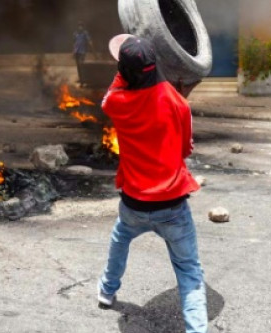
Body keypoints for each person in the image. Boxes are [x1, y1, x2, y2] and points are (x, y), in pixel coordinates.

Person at [98, 34, 207, 333]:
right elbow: (186, 149)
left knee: (120, 238)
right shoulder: (177, 103)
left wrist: (123, 70)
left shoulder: (117, 102)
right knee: (189, 271)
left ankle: (107, 291)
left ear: (124, 71)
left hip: (133, 203)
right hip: (172, 206)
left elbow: (109, 95)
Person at [73, 22, 93, 86]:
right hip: (76, 51)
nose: (80, 27)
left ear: (83, 27)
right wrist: (73, 51)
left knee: (82, 65)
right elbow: (74, 42)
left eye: (81, 26)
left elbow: (89, 40)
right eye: (79, 26)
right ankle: (80, 78)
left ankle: (83, 79)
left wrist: (91, 44)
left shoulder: (85, 33)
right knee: (78, 66)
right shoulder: (75, 33)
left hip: (82, 51)